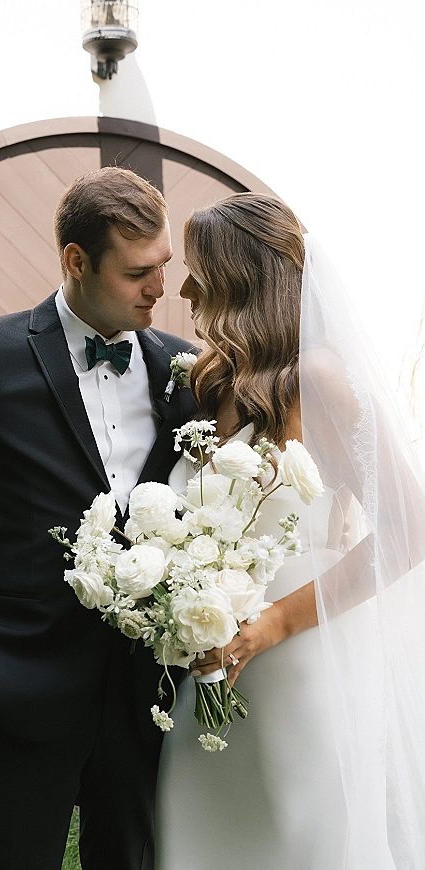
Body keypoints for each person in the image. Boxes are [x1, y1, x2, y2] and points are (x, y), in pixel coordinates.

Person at [0, 166, 197, 870]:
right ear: (76, 262)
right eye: (139, 271)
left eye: (165, 266)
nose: (160, 289)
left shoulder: (188, 369)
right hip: (11, 689)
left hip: (146, 700)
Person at [156, 193, 425, 869]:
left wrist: (274, 623)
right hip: (212, 675)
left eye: (199, 272)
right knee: (198, 841)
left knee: (301, 845)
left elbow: (410, 527)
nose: (184, 288)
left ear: (241, 280)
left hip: (303, 670)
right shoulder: (217, 385)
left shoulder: (322, 381)